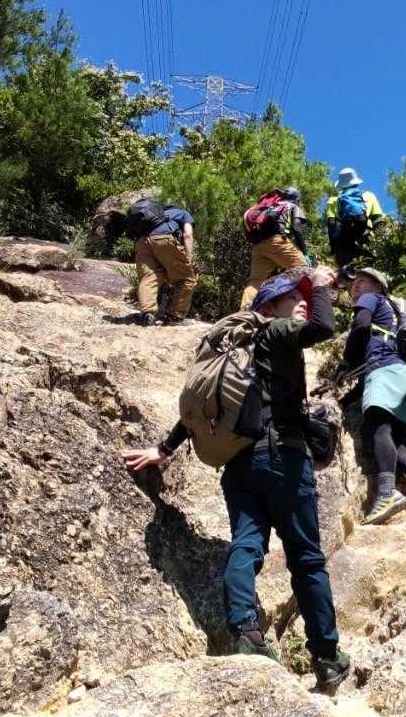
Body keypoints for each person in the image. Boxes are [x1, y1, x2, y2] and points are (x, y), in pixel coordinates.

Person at [124, 267, 351, 692]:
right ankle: (327, 656)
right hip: (283, 460)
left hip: (239, 468)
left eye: (305, 296)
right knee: (306, 559)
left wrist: (164, 449)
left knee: (247, 544)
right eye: (293, 297)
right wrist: (322, 285)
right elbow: (323, 328)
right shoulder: (275, 331)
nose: (302, 302)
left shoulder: (237, 350)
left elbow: (198, 412)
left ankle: (246, 634)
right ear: (270, 306)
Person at [342, 266, 406, 524]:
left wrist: (345, 364)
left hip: (383, 370)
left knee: (378, 429)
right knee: (399, 439)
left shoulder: (371, 299)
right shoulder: (394, 311)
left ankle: (387, 493)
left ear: (378, 286)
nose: (356, 285)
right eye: (354, 282)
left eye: (362, 280)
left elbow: (361, 327)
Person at [240, 187, 310, 310]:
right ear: (296, 199)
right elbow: (297, 228)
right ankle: (299, 310)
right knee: (304, 270)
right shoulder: (292, 206)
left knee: (256, 281)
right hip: (276, 241)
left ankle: (244, 313)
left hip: (258, 245)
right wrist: (304, 253)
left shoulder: (271, 206)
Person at [134, 203, 197, 324]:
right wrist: (188, 259)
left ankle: (147, 313)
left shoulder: (155, 215)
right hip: (163, 239)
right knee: (186, 279)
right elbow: (188, 235)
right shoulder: (183, 213)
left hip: (141, 242)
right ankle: (175, 317)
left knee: (149, 277)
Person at [325, 168, 384, 274]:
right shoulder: (369, 196)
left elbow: (331, 224)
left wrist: (333, 249)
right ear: (356, 182)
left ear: (341, 185)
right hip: (365, 238)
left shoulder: (333, 200)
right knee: (367, 273)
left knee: (347, 277)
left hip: (344, 242)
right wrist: (379, 243)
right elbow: (379, 221)